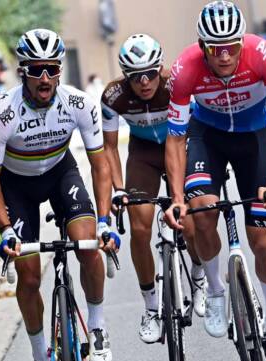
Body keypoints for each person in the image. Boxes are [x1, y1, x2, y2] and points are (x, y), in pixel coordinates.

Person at [0, 29, 120, 361]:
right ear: (23, 72)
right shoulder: (2, 115)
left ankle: (98, 327)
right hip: (17, 185)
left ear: (59, 71)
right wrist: (5, 229)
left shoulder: (78, 103)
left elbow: (100, 164)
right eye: (37, 70)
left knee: (88, 245)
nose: (45, 78)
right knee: (27, 273)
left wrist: (105, 220)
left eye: (52, 69)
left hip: (61, 174)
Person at [164, 1, 266, 361]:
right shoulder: (184, 69)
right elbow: (175, 139)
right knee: (203, 211)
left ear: (242, 42)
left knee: (261, 238)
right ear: (202, 46)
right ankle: (216, 290)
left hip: (252, 138)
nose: (224, 56)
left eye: (231, 47)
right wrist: (177, 198)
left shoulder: (262, 53)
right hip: (207, 135)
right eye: (214, 48)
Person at [101, 34, 207, 344]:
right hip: (143, 153)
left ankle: (199, 278)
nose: (145, 82)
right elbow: (108, 148)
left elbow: (202, 123)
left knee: (188, 223)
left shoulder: (176, 83)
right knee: (140, 225)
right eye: (136, 77)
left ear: (160, 68)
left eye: (150, 73)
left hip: (181, 147)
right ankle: (150, 306)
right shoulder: (113, 96)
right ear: (125, 76)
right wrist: (119, 189)